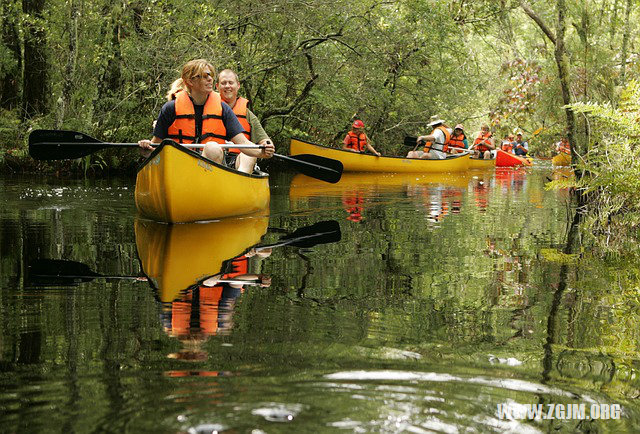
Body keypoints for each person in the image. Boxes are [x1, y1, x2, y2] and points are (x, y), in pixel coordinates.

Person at [138, 59, 274, 174]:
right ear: (190, 82)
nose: (210, 79)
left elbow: (244, 144)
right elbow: (154, 146)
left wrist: (262, 153)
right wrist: (146, 148)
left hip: (210, 174)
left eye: (210, 75)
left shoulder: (223, 109)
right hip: (180, 170)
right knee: (173, 149)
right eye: (204, 76)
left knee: (212, 147)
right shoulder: (170, 109)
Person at [216, 69, 275, 173]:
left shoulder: (248, 115)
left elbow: (264, 140)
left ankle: (239, 184)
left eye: (231, 82)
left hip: (238, 159)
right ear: (217, 86)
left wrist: (267, 145)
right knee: (212, 150)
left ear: (238, 85)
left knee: (248, 155)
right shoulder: (208, 109)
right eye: (223, 83)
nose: (227, 86)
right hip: (216, 158)